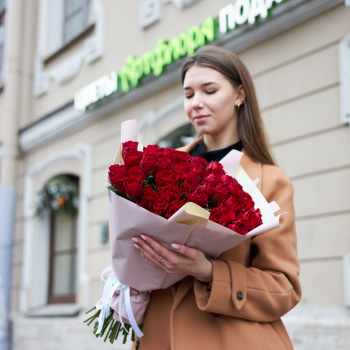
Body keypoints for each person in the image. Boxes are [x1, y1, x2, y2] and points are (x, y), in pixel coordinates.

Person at [131, 45, 301, 350]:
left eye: (209, 90)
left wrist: (209, 272)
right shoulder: (158, 169)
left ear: (239, 95)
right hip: (158, 336)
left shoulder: (270, 181)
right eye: (188, 95)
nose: (196, 103)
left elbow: (283, 288)